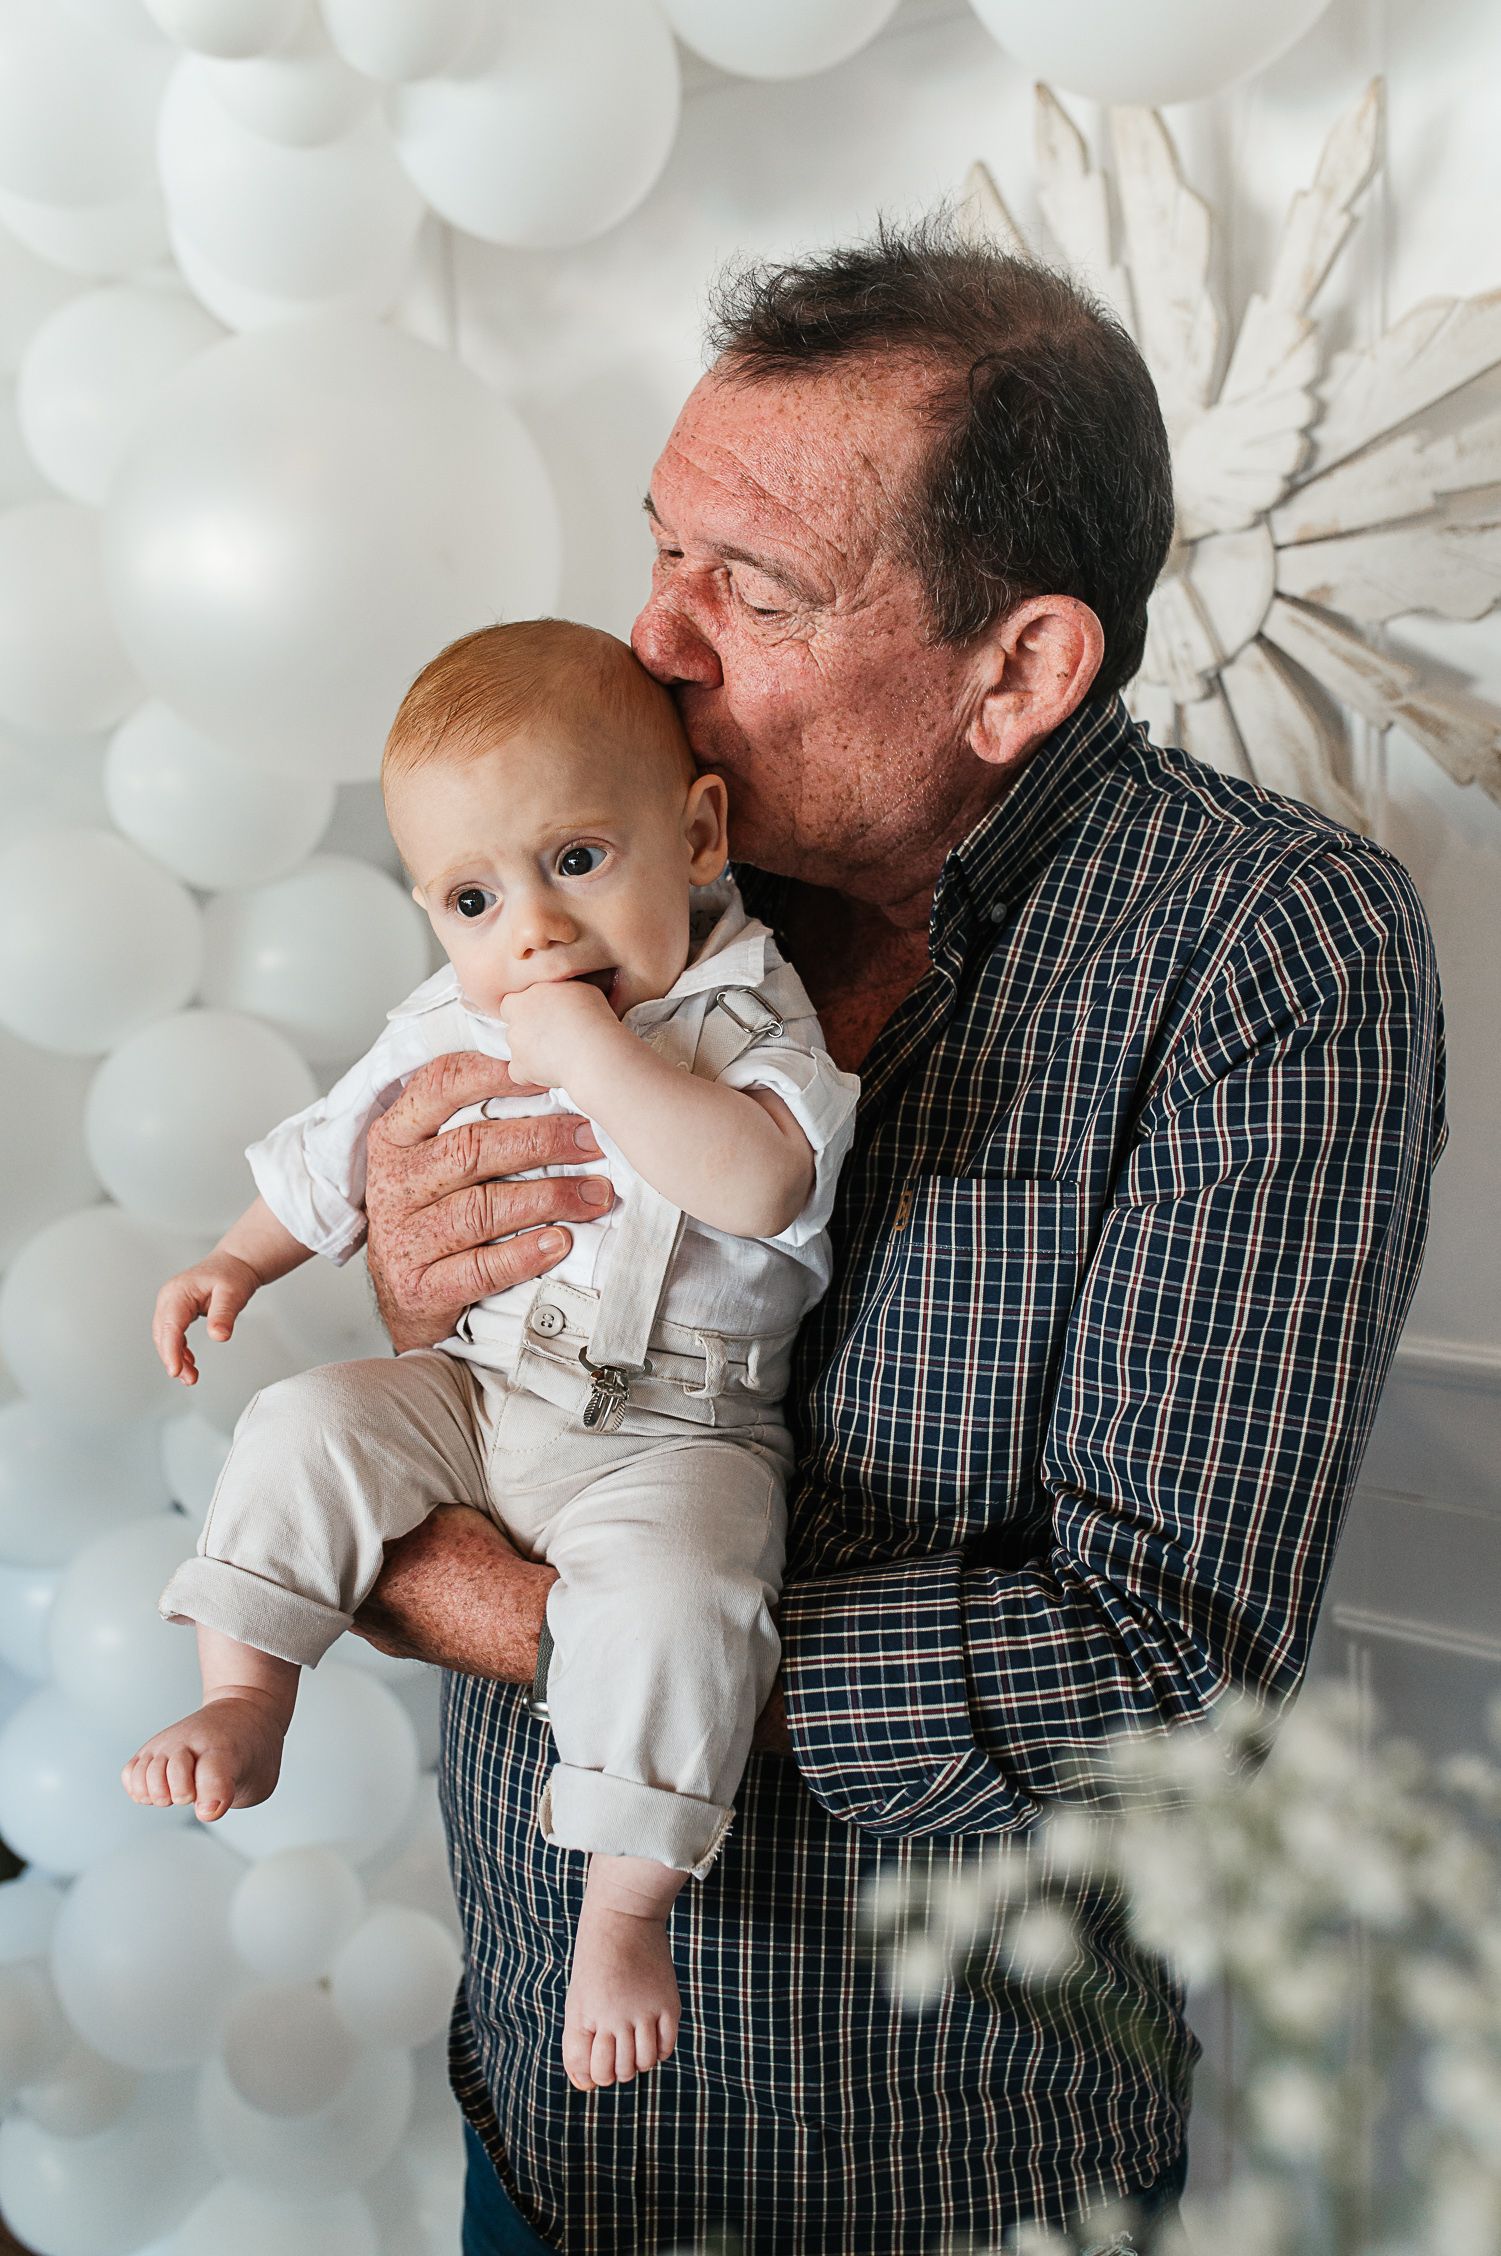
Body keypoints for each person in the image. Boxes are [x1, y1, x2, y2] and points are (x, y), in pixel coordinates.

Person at [349, 225, 1448, 2255]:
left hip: (921, 2173)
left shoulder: (1264, 951)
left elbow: (1158, 1673)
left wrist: (518, 1618)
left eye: (746, 592)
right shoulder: (621, 858)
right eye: (659, 545)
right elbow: (489, 1316)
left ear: (1019, 668)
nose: (643, 639)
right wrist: (425, 1287)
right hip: (536, 2100)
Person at [121, 619, 859, 2093]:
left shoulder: (750, 1014)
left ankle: (627, 1903)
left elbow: (762, 1183)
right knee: (305, 1423)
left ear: (696, 832)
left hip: (679, 1435)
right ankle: (247, 1687)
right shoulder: (453, 1015)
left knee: (681, 1603)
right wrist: (238, 1258)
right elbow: (335, 1151)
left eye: (576, 860)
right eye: (474, 897)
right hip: (481, 1387)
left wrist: (600, 1059)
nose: (531, 930)